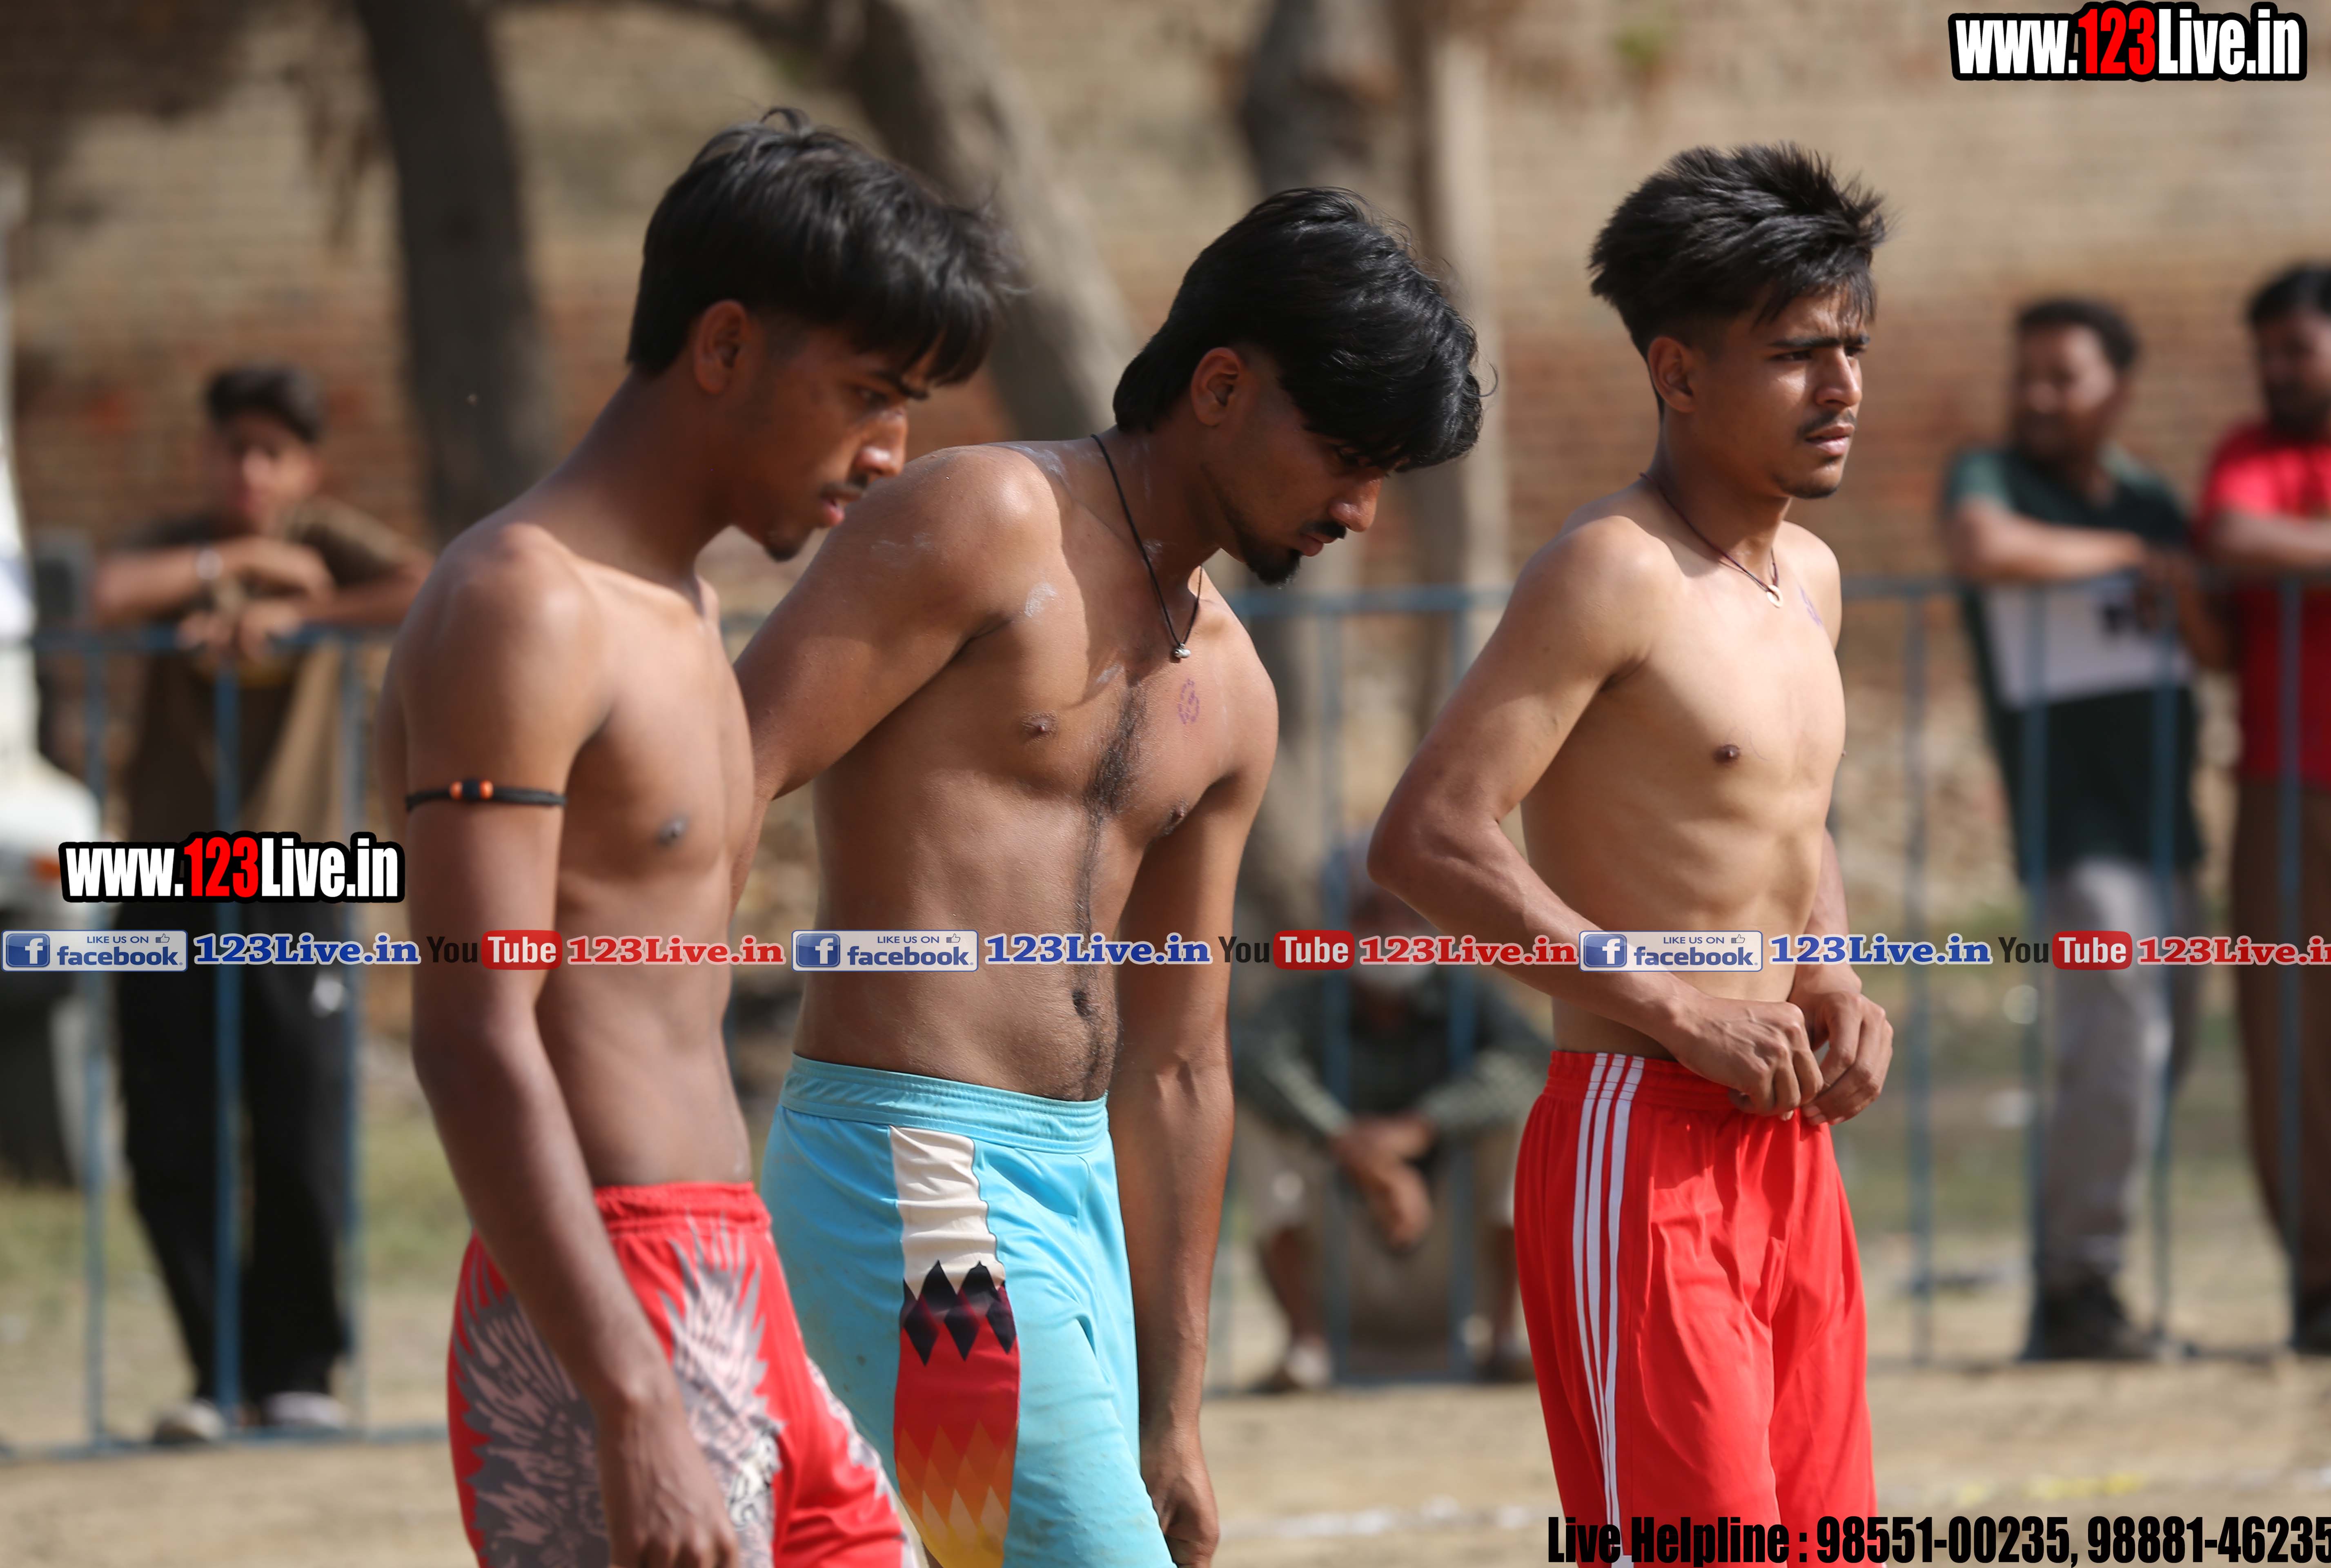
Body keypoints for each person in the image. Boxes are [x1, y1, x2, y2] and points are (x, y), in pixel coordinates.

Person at [735, 188, 1481, 1566]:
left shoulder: (1236, 691)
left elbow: (1183, 1063)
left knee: (987, 1554)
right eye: (1344, 456)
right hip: (916, 1175)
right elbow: (724, 779)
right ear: (1221, 387)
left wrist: (1176, 1411)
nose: (1362, 510)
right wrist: (642, 1122)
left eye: (1385, 474)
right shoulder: (986, 519)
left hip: (1076, 1196)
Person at [377, 112, 1006, 1566]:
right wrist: (631, 1393)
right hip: (610, 1301)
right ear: (723, 348)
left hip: (732, 1268)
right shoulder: (523, 605)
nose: (892, 453)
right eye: (868, 394)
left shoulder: (686, 607)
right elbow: (472, 1034)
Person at [1370, 144, 1893, 1532]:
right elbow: (1427, 837)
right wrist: (1677, 1006)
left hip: (1789, 1149)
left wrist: (1830, 970)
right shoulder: (1613, 569)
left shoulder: (1812, 578)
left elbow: (1790, 815)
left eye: (1853, 347)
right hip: (1637, 1140)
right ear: (1678, 372)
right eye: (1796, 354)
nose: (1842, 386)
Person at [90, 363, 429, 1443]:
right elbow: (98, 596)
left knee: (298, 1117)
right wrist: (232, 565)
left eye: (272, 452)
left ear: (307, 469)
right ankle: (216, 1370)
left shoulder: (328, 542)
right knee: (170, 1126)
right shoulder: (181, 541)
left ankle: (299, 1369)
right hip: (162, 869)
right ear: (206, 455)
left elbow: (429, 584)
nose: (249, 469)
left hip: (300, 868)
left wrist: (302, 613)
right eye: (232, 447)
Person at [1941, 298, 2227, 1360]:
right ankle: (2075, 1289)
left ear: (2118, 388)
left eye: (2063, 377)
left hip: (2167, 825)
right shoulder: (1991, 477)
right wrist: (2132, 557)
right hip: (2074, 830)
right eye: (2028, 375)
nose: (2038, 396)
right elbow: (1982, 546)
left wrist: (2173, 579)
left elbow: (2215, 642)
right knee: (2111, 1042)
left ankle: (2087, 1271)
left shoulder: (2152, 495)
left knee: (2161, 1047)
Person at [1231, 838, 1550, 1391]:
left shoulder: (1469, 999)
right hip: (1345, 1264)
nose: (1391, 930)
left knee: (1526, 1115)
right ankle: (1309, 1343)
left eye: (1408, 913)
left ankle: (1503, 1337)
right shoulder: (1304, 1003)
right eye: (1369, 912)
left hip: (1450, 1268)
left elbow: (1529, 1060)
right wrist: (1360, 1153)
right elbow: (1257, 1061)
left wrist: (1420, 1129)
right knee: (1256, 1119)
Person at [2195, 262, 2331, 1353]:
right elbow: (2236, 540)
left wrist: (2324, 553)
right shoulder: (2250, 455)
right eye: (2267, 353)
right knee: (2298, 1040)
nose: (2277, 370)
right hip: (2291, 787)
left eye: (2298, 349)